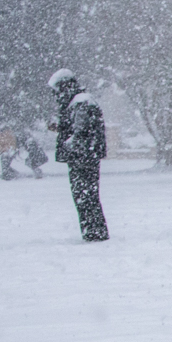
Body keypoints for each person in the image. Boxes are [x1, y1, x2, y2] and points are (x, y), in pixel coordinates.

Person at [50, 69, 108, 240]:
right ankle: (93, 231)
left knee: (85, 196)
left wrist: (69, 143)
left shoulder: (80, 103)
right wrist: (62, 129)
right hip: (84, 156)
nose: (57, 96)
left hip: (82, 158)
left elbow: (81, 133)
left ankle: (94, 232)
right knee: (87, 196)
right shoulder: (80, 102)